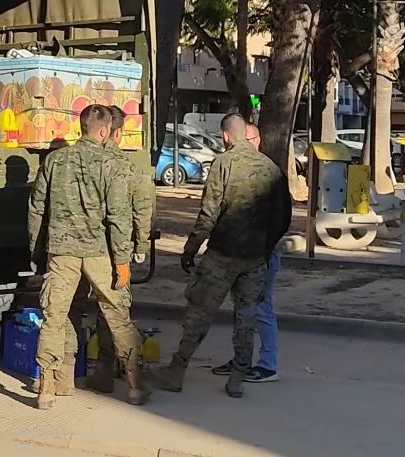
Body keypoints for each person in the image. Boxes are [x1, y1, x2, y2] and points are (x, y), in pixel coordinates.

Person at [159, 112, 291, 398]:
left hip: (222, 253)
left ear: (226, 136)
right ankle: (237, 379)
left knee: (200, 311)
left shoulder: (223, 163)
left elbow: (208, 214)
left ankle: (177, 370)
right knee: (246, 317)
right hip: (255, 258)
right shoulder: (271, 168)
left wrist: (190, 249)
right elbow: (283, 217)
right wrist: (265, 248)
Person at [27, 105, 144, 408]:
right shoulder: (112, 164)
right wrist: (122, 261)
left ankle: (50, 387)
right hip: (99, 253)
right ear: (105, 131)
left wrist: (37, 251)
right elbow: (119, 216)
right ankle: (134, 386)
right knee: (118, 316)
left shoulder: (54, 160)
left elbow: (37, 209)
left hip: (62, 251)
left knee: (55, 317)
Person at [85, 103, 154, 395]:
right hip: (114, 250)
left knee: (72, 310)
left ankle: (85, 372)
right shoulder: (125, 164)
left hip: (78, 246)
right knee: (114, 312)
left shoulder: (82, 159)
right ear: (118, 131)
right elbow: (141, 209)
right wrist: (141, 246)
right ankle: (127, 378)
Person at [212, 121, 282, 383]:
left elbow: (280, 217)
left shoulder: (268, 172)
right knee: (242, 308)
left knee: (261, 307)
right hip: (238, 252)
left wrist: (265, 247)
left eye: (249, 140)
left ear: (257, 141)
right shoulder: (231, 167)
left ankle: (268, 364)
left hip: (262, 253)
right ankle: (242, 359)